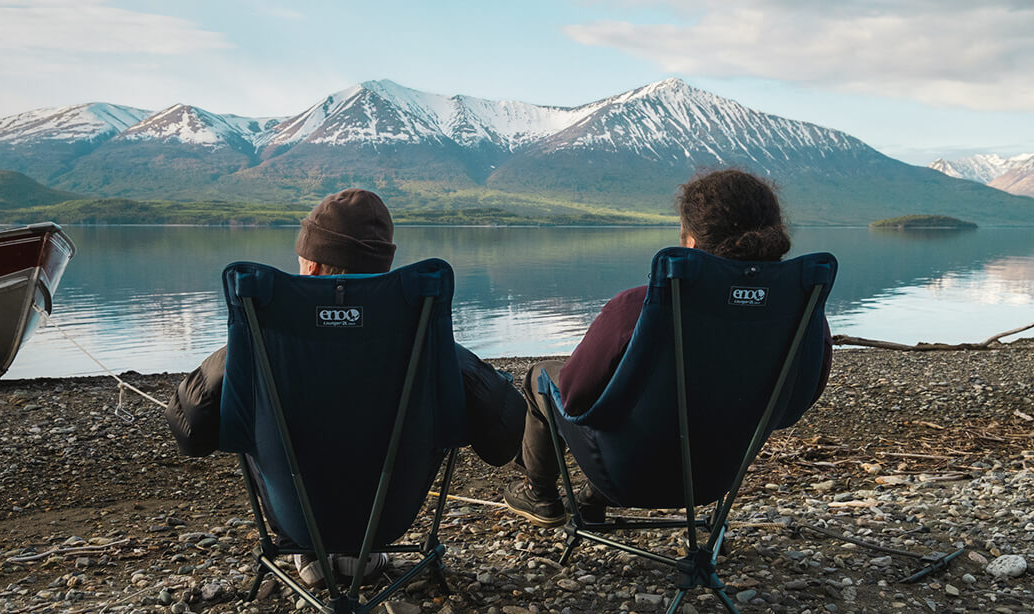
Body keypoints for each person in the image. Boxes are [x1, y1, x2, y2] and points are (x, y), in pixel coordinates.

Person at [166, 188, 527, 580]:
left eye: (302, 261)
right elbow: (503, 437)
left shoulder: (259, 341)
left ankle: (310, 554)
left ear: (316, 268)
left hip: (294, 519)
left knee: (252, 418)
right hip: (389, 519)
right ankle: (362, 555)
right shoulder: (426, 342)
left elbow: (190, 433)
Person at [504, 168, 832, 527]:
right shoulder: (801, 314)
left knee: (542, 377)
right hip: (716, 478)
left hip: (625, 476)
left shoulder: (636, 309)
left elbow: (574, 396)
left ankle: (540, 496)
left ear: (690, 241)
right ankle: (588, 500)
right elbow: (798, 400)